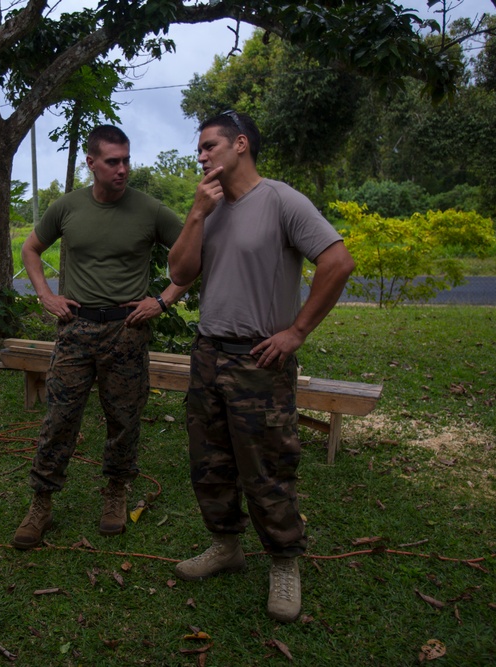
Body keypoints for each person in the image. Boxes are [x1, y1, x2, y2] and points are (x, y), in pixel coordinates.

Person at [167, 111, 355, 623]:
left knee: (268, 466)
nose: (201, 155)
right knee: (210, 461)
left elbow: (337, 262)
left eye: (209, 146)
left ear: (241, 145)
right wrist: (196, 214)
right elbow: (180, 272)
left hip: (258, 358)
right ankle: (226, 547)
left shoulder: (281, 200)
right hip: (208, 352)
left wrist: (295, 332)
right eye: (199, 148)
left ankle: (284, 562)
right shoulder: (210, 206)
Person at [12, 125, 189, 550]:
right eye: (113, 161)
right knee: (59, 418)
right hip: (76, 330)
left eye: (127, 160)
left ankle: (115, 492)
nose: (123, 169)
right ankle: (41, 503)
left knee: (124, 420)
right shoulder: (67, 207)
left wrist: (162, 301)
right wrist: (45, 295)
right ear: (91, 163)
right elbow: (30, 249)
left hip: (127, 332)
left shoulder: (150, 210)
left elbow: (194, 255)